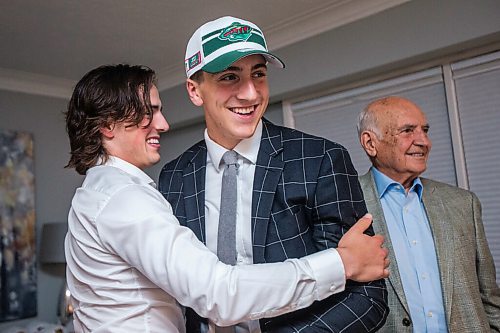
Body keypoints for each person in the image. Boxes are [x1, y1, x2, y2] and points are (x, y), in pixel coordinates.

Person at [63, 64, 388, 333]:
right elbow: (217, 293)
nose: (163, 124)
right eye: (150, 112)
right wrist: (342, 263)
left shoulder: (98, 192)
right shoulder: (127, 195)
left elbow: (367, 299)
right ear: (108, 124)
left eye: (258, 74)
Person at [159, 16, 388, 333]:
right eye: (229, 77)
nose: (251, 94)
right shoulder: (175, 176)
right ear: (194, 91)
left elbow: (367, 297)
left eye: (259, 75)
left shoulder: (319, 159)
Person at [357, 96, 500, 332]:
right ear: (371, 143)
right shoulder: (345, 204)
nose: (424, 141)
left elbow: (490, 297)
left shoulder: (464, 203)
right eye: (407, 131)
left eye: (425, 130)